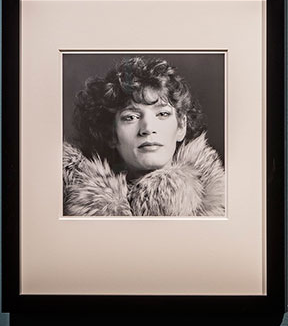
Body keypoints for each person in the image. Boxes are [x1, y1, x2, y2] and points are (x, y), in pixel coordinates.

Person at [63, 56, 226, 216]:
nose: (147, 129)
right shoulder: (73, 203)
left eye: (162, 114)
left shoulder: (224, 203)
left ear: (181, 126)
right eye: (131, 117)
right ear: (110, 133)